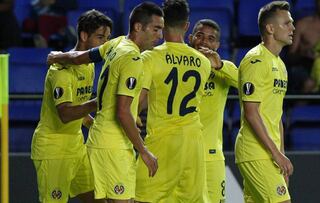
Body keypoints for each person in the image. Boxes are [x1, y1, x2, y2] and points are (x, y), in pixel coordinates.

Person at [31, 9, 112, 203]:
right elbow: (66, 114)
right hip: (53, 148)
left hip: (76, 145)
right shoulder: (61, 70)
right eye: (100, 37)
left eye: (108, 38)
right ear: (84, 35)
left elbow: (79, 108)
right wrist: (100, 101)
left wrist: (94, 125)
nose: (105, 44)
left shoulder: (90, 65)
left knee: (97, 198)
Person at [135, 1, 213, 202]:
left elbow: (138, 102)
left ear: (162, 23)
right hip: (193, 144)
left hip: (162, 143)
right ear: (187, 26)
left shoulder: (150, 57)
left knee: (142, 198)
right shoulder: (204, 62)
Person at [85, 2, 164, 202]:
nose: (160, 36)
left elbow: (82, 57)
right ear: (138, 27)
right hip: (115, 147)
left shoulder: (117, 43)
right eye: (156, 29)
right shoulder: (132, 58)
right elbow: (122, 112)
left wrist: (60, 56)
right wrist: (143, 151)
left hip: (98, 141)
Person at [235, 1, 295, 203]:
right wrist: (276, 154)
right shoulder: (255, 61)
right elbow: (251, 113)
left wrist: (281, 155)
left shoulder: (280, 64)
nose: (293, 28)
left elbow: (275, 114)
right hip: (254, 151)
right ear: (270, 28)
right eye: (287, 23)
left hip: (269, 154)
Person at [188, 19, 238, 203]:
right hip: (181, 153)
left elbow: (247, 85)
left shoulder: (224, 68)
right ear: (190, 38)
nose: (203, 42)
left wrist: (220, 67)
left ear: (217, 44)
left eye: (210, 39)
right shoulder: (177, 66)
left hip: (211, 156)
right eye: (199, 36)